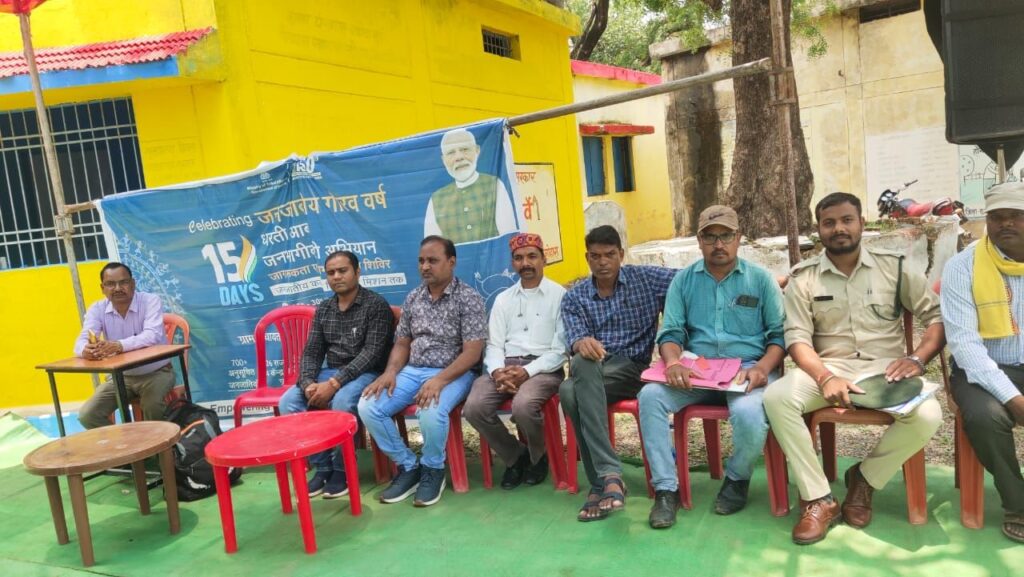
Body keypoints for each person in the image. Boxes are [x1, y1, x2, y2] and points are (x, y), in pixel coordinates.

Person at [763, 192, 945, 545]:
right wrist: (825, 376)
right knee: (777, 397)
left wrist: (917, 359)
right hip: (829, 368)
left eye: (847, 220)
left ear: (861, 223)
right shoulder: (804, 277)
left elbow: (935, 316)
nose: (839, 229)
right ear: (819, 229)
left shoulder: (895, 267)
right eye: (829, 223)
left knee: (928, 415)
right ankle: (819, 499)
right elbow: (797, 339)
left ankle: (865, 479)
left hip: (885, 372)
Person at [638, 206, 785, 529]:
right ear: (699, 240)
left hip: (747, 369)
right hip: (698, 371)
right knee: (650, 397)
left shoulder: (760, 280)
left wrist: (763, 368)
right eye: (710, 237)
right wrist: (673, 361)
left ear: (738, 238)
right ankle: (666, 490)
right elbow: (671, 333)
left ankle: (737, 478)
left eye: (726, 236)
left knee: (749, 414)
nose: (719, 244)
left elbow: (778, 337)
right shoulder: (683, 281)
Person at [358, 236, 487, 506]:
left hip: (454, 372)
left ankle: (433, 469)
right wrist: (390, 372)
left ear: (451, 262)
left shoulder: (468, 298)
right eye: (421, 261)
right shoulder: (414, 297)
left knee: (429, 409)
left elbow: (472, 353)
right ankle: (408, 466)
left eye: (432, 260)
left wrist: (439, 380)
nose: (425, 266)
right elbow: (402, 343)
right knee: (369, 406)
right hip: (413, 370)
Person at [560, 225, 677, 521]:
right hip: (596, 369)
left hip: (633, 369)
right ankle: (609, 478)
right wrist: (582, 343)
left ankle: (601, 481)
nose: (603, 262)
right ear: (587, 258)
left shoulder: (645, 279)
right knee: (571, 383)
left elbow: (690, 279)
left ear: (621, 255)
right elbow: (575, 337)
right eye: (595, 256)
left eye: (609, 255)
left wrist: (765, 279)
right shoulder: (575, 297)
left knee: (570, 388)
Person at [942, 181, 1024, 543]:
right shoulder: (962, 267)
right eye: (997, 217)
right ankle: (1018, 503)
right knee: (985, 417)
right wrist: (1014, 399)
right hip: (980, 370)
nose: (1006, 223)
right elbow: (965, 345)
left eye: (1016, 216)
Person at [278, 250, 394, 499]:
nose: (337, 276)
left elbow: (371, 354)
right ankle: (323, 467)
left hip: (367, 373)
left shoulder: (376, 305)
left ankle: (343, 469)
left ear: (357, 272)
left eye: (343, 270)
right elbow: (312, 351)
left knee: (342, 401)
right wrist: (308, 383)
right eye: (331, 273)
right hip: (330, 372)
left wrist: (334, 383)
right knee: (288, 402)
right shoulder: (324, 309)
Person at [464, 233, 567, 490]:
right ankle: (516, 456)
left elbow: (560, 350)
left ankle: (538, 456)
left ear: (544, 259)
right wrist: (497, 372)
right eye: (519, 258)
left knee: (523, 406)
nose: (526, 263)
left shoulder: (560, 296)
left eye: (532, 256)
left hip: (544, 369)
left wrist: (526, 372)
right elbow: (494, 345)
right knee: (474, 407)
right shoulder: (504, 299)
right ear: (513, 263)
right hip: (506, 366)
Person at [74, 262, 175, 429]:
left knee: (152, 407)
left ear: (133, 284)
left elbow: (152, 335)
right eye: (110, 284)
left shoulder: (150, 301)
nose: (117, 288)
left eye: (123, 282)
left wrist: (119, 345)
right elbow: (82, 339)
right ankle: (125, 443)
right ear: (102, 288)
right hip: (120, 377)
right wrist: (85, 350)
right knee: (88, 415)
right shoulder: (97, 309)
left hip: (156, 373)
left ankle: (160, 445)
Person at [423, 128, 518, 244]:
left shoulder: (494, 185)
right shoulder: (436, 199)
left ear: (477, 151)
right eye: (451, 152)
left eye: (465, 149)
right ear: (444, 160)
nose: (459, 157)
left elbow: (508, 239)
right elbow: (433, 248)